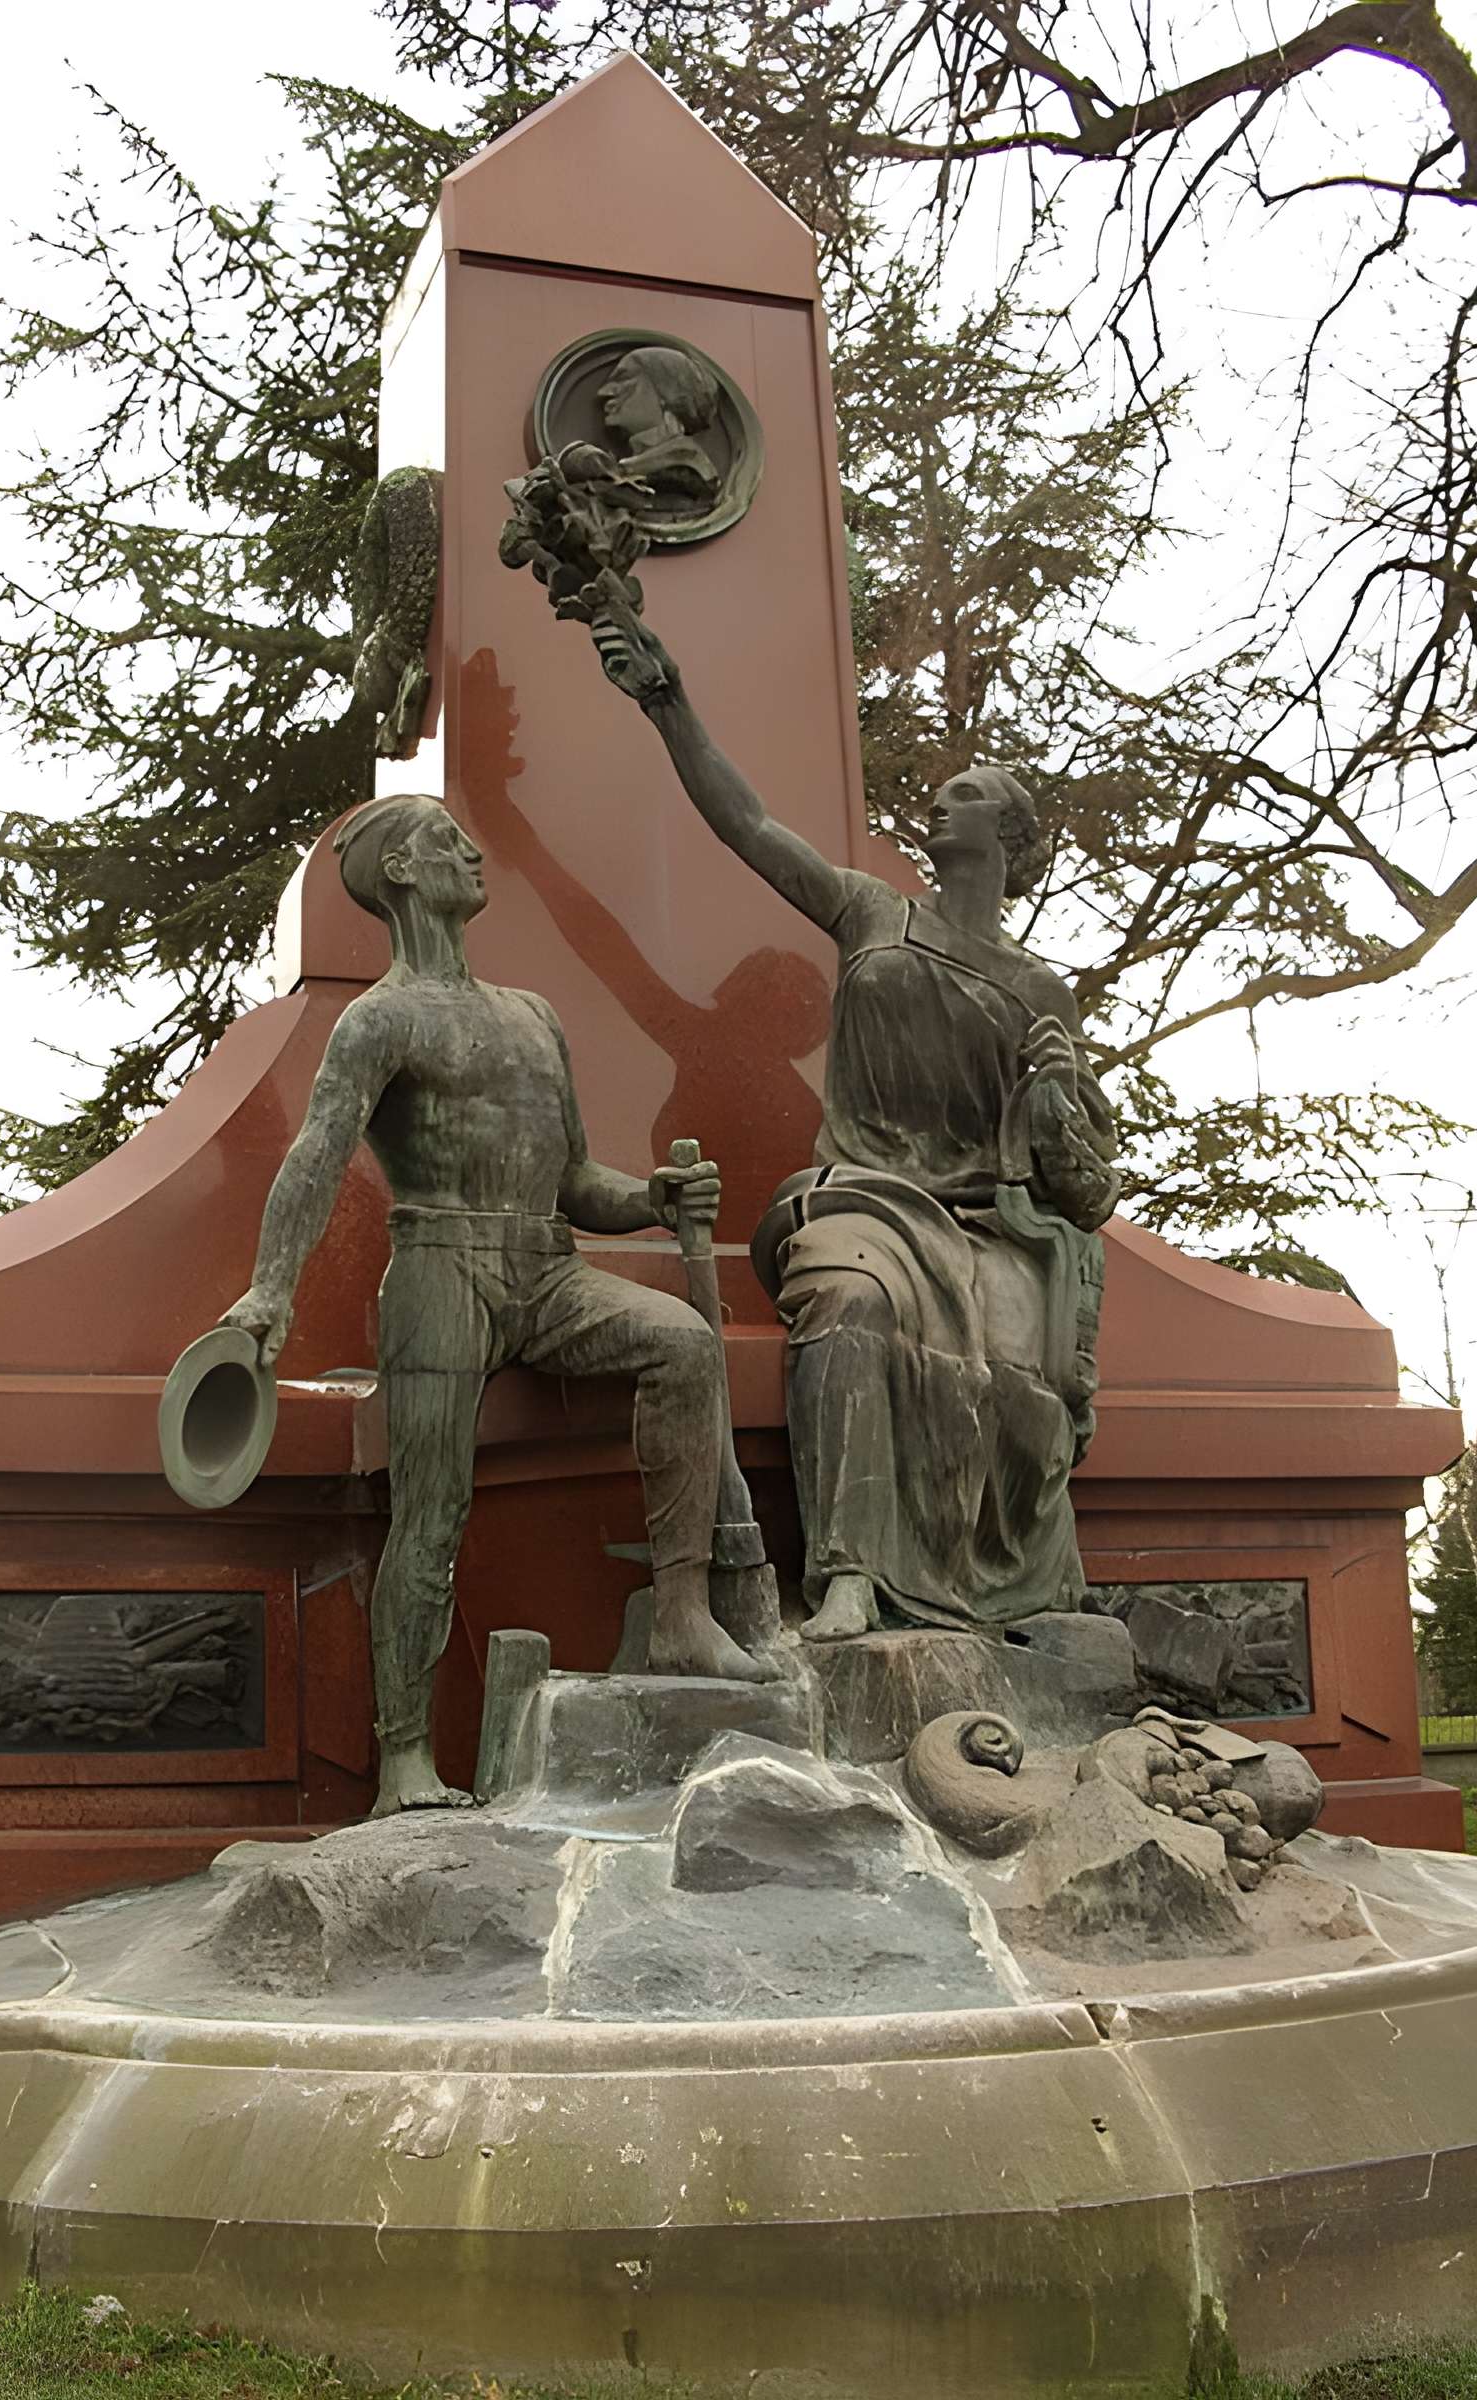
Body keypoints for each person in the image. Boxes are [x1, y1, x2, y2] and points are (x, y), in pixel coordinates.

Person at [220, 793, 768, 1817]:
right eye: (445, 842)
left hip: (547, 1266)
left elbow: (574, 1185)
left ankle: (686, 1615)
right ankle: (404, 1763)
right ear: (399, 875)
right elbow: (315, 1157)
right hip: (440, 1270)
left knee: (686, 1342)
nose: (472, 854)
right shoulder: (379, 1020)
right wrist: (268, 1290)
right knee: (431, 1512)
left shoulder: (533, 1017)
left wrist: (649, 1198)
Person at [589, 611, 1121, 1642]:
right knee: (846, 1302)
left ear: (1008, 843)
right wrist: (670, 703)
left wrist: (1056, 1092)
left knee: (1021, 1380)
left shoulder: (1040, 993)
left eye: (966, 796)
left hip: (983, 1230)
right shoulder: (873, 914)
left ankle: (976, 1580)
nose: (939, 798)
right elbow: (747, 826)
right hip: (863, 1200)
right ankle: (847, 1573)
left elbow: (1083, 1186)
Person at [597, 345, 721, 501]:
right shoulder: (635, 462)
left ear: (668, 393)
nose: (603, 392)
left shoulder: (690, 469)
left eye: (624, 378)